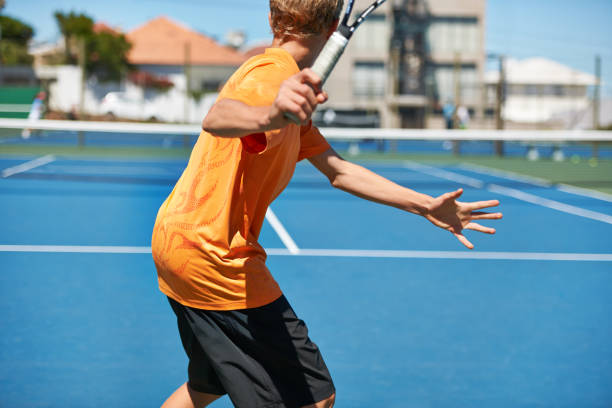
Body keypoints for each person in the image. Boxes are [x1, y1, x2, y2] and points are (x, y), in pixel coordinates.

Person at [152, 1, 502, 407]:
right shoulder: (271, 76)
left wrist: (426, 205)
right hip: (215, 257)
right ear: (335, 25)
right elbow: (217, 116)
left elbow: (339, 171)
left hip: (175, 244)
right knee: (312, 398)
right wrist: (271, 112)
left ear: (271, 19)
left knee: (207, 386)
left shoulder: (288, 93)